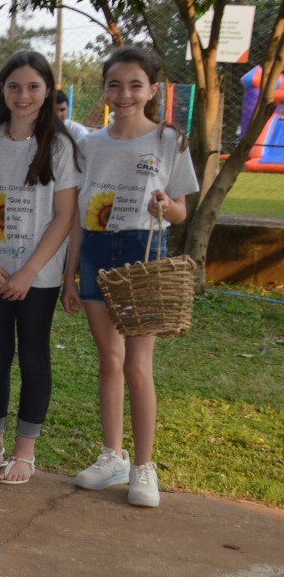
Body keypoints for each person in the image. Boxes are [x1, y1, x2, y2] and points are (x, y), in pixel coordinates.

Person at [64, 46, 198, 507]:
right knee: (110, 361)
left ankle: (143, 466)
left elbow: (180, 211)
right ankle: (112, 456)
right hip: (96, 250)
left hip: (144, 254)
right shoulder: (89, 144)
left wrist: (166, 204)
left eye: (135, 84)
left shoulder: (168, 140)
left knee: (139, 367)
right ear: (105, 90)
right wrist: (70, 277)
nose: (124, 93)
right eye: (115, 84)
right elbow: (77, 218)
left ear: (152, 90)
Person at [0, 51, 80, 486]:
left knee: (33, 356)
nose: (23, 95)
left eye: (33, 86)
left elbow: (64, 216)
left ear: (47, 90)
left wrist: (29, 272)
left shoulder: (61, 147)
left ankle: (25, 452)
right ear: (2, 92)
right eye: (14, 86)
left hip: (39, 279)